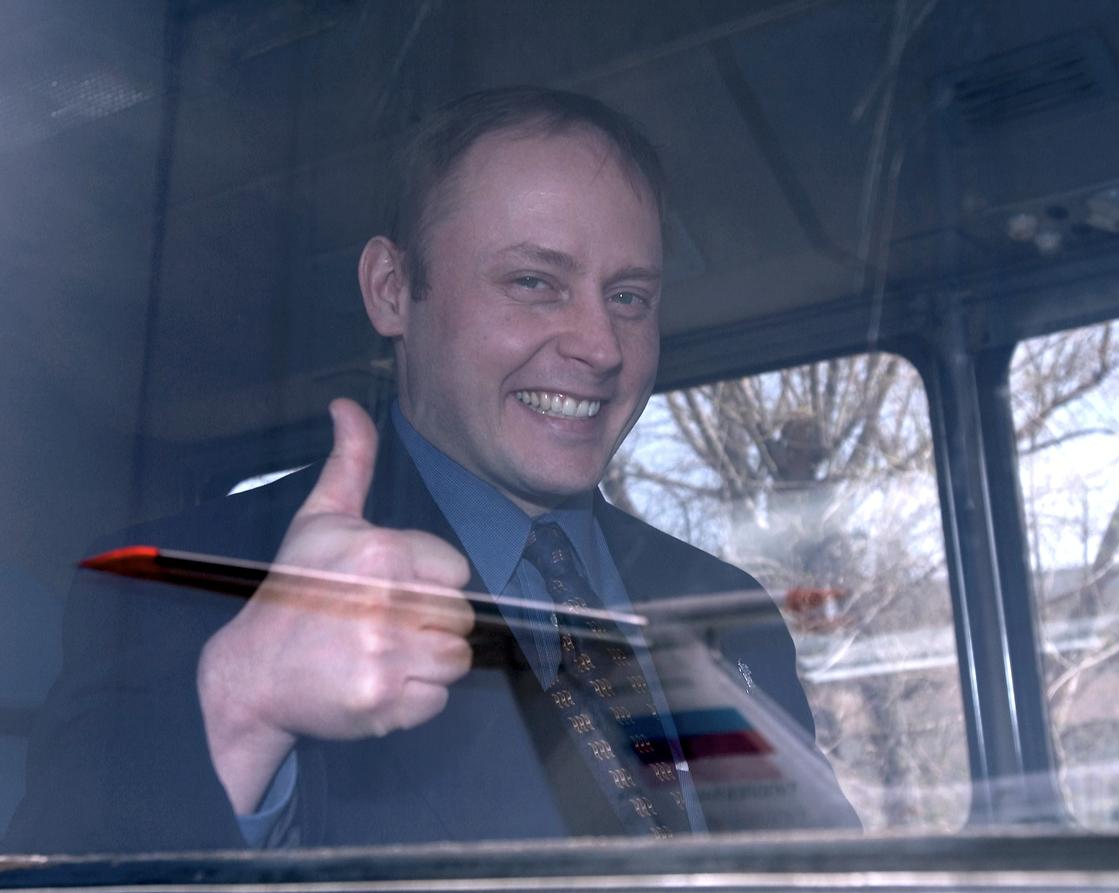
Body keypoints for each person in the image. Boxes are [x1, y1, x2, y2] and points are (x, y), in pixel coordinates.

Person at [6, 86, 854, 852]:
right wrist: (241, 709)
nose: (600, 347)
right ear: (391, 289)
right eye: (534, 281)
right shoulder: (179, 585)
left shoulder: (728, 608)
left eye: (629, 296)